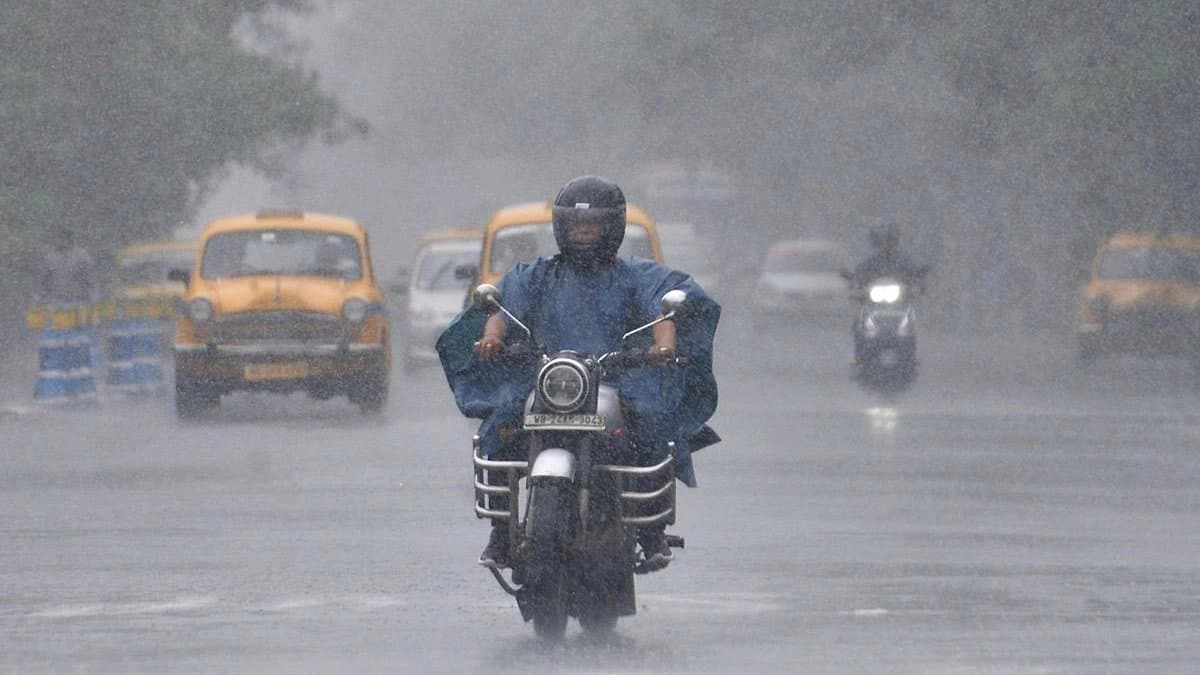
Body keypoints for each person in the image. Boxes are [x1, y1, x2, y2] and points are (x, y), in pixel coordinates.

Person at [436, 175, 721, 571]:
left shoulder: (635, 275)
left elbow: (663, 308)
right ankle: (501, 531)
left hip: (618, 381)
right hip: (550, 380)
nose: (584, 234)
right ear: (561, 227)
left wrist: (664, 346)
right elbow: (502, 310)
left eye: (592, 226)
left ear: (613, 227)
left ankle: (651, 529)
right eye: (576, 226)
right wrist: (491, 339)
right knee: (498, 428)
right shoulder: (536, 274)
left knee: (654, 424)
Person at [849, 222, 925, 289]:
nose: (885, 245)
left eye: (889, 240)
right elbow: (859, 275)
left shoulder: (903, 261)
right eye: (880, 241)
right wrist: (856, 283)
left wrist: (915, 284)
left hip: (902, 298)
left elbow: (914, 274)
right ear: (875, 243)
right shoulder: (869, 262)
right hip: (872, 298)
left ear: (895, 242)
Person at [38, 226, 98, 305]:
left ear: (67, 239)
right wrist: (42, 297)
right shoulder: (50, 257)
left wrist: (93, 297)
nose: (55, 241)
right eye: (55, 238)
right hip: (56, 300)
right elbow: (44, 280)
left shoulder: (82, 256)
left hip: (79, 300)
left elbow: (91, 277)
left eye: (58, 238)